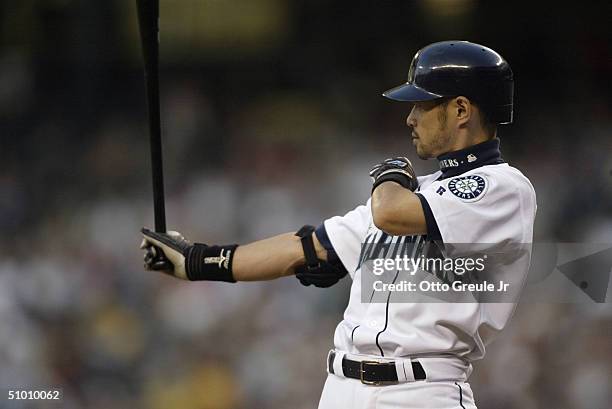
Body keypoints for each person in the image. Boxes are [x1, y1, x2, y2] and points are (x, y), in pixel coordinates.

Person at [140, 40, 537, 409]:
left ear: (462, 110)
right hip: (342, 389)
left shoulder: (503, 187)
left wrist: (391, 175)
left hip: (423, 390)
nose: (410, 118)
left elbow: (389, 213)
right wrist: (196, 261)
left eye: (422, 105)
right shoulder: (423, 191)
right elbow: (305, 247)